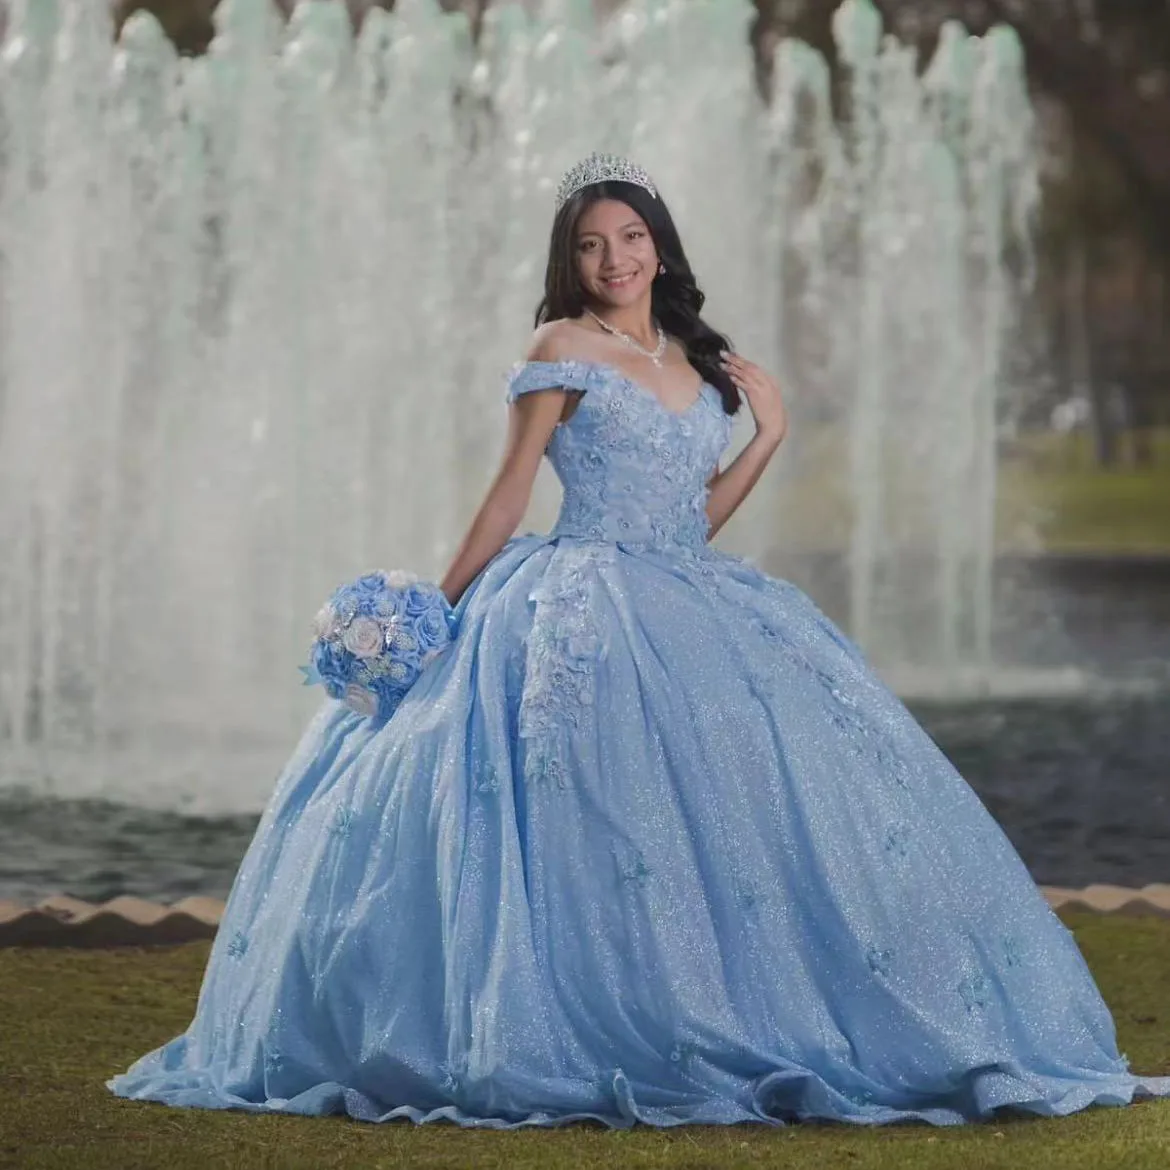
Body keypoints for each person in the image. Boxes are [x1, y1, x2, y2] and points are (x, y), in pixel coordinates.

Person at [107, 153, 1170, 1128]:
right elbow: (508, 494)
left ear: (660, 244)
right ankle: (551, 1018)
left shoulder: (701, 357)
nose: (614, 258)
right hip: (574, 596)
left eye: (630, 237)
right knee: (580, 808)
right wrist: (434, 610)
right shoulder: (561, 349)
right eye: (590, 243)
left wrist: (771, 438)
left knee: (743, 813)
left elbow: (692, 519)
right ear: (570, 261)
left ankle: (758, 1005)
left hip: (691, 596)